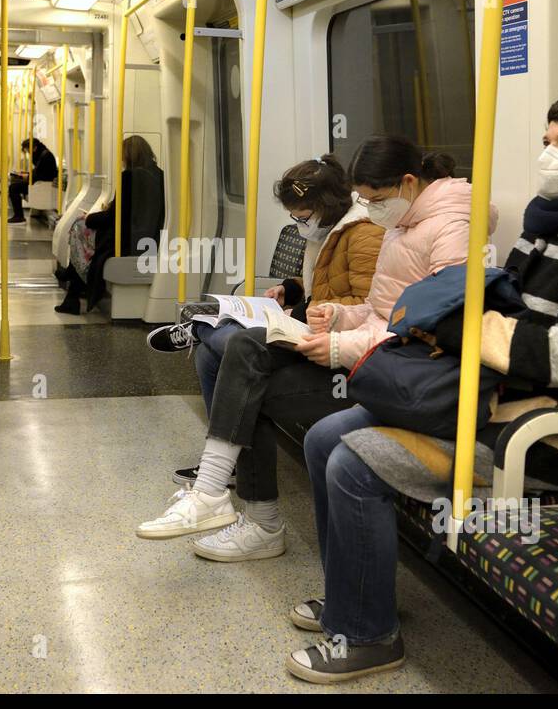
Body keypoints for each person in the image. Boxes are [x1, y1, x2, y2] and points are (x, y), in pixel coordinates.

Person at [291, 93, 558, 683]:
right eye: (548, 141)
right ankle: (353, 600)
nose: (550, 155)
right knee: (323, 437)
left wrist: (469, 326)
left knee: (352, 465)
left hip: (535, 432)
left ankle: (369, 635)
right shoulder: (546, 229)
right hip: (480, 399)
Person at [136, 138, 477, 560]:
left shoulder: (396, 232)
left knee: (239, 358)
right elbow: (373, 306)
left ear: (407, 184)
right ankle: (219, 491)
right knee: (238, 357)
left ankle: (246, 513)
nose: (368, 206)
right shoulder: (397, 226)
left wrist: (335, 339)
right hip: (363, 347)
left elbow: (422, 322)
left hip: (390, 371)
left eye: (373, 199)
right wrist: (326, 312)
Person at [147, 153, 382, 481]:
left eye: (302, 217)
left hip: (336, 344)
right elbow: (326, 283)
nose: (299, 224)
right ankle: (229, 463)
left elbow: (368, 304)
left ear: (327, 205)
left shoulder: (364, 234)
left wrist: (302, 312)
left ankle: (200, 329)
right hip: (315, 323)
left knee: (237, 343)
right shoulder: (328, 231)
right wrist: (291, 289)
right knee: (208, 358)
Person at [55, 135, 166, 314]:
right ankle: (73, 287)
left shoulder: (129, 177)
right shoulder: (160, 175)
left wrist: (89, 218)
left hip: (126, 240)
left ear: (129, 155)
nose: (121, 159)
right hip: (151, 237)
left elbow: (114, 217)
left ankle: (73, 287)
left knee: (79, 226)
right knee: (86, 233)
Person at [8, 138, 59, 223]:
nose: (29, 153)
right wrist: (26, 175)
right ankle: (18, 215)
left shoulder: (44, 156)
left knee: (13, 188)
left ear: (34, 148)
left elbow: (39, 175)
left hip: (42, 185)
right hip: (40, 182)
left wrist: (26, 177)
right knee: (15, 184)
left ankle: (19, 216)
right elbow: (38, 172)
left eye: (28, 151)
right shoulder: (43, 153)